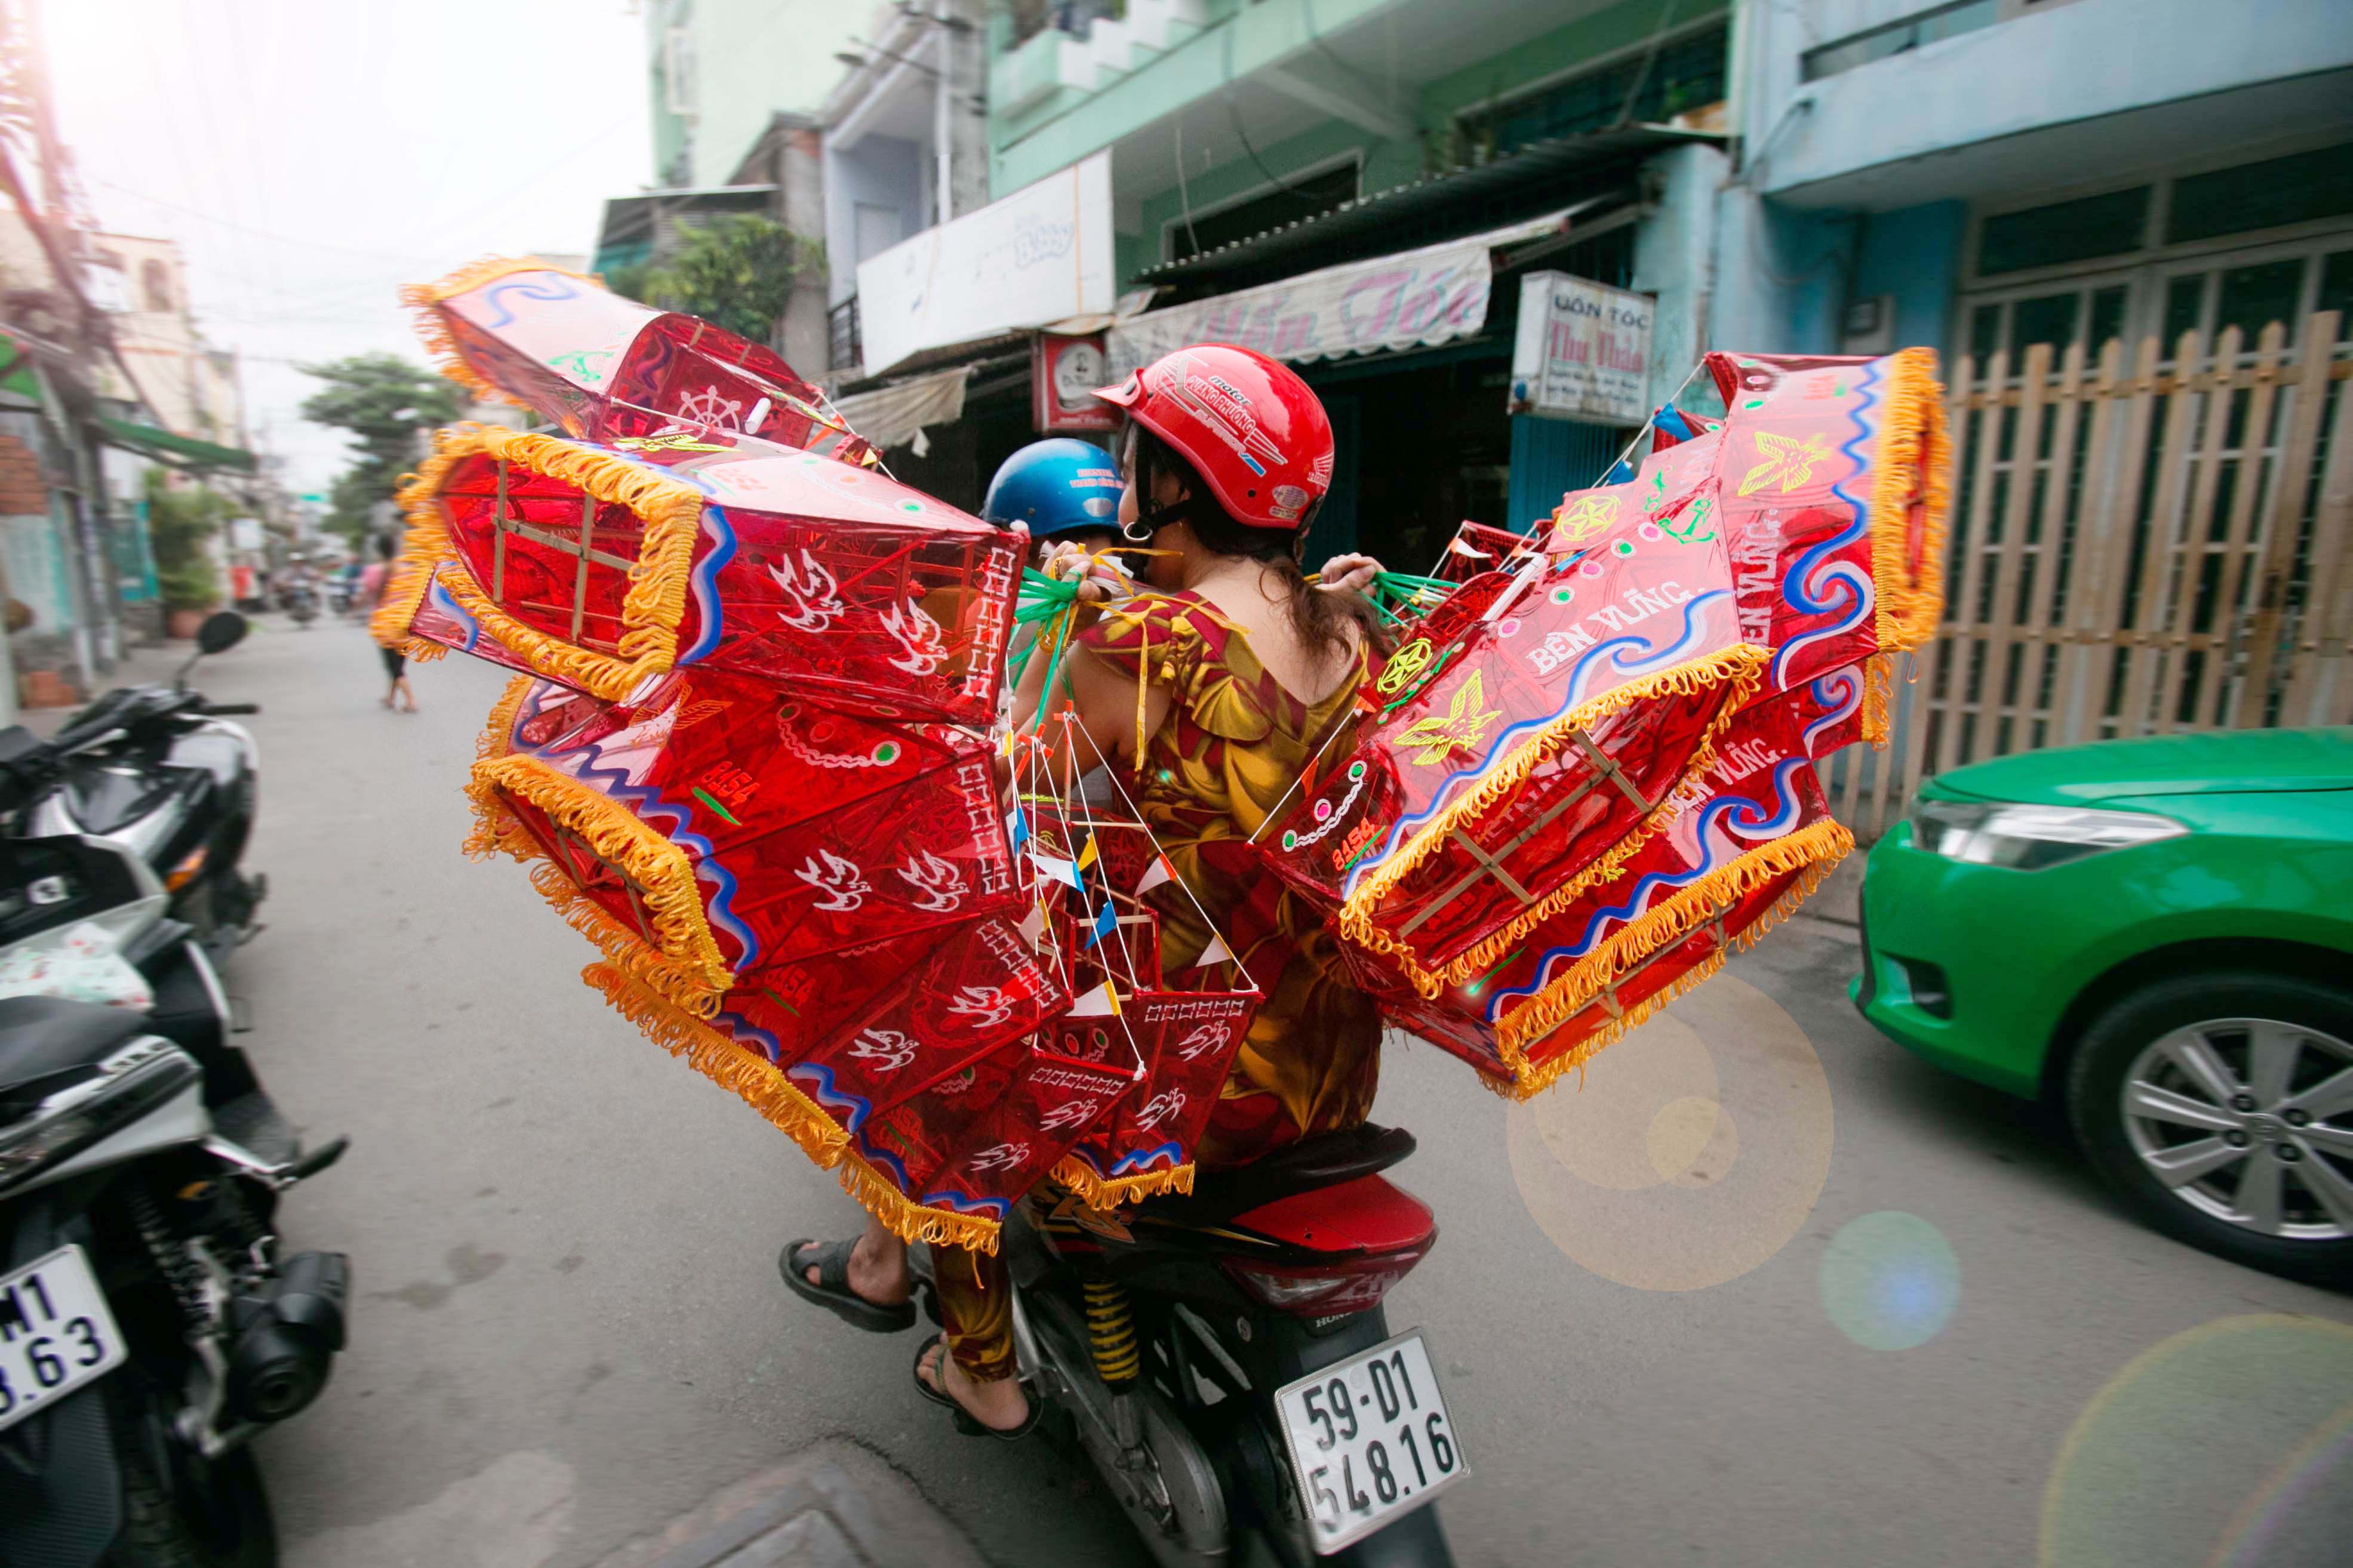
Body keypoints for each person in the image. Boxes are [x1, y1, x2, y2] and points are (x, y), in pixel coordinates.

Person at [783, 344, 1385, 1435]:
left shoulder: (1136, 646)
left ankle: (982, 1370)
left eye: (1137, 458)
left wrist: (1054, 636)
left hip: (1188, 1095)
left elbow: (1000, 811)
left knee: (924, 1079)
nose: (1124, 478)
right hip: (1329, 1078)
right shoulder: (1356, 629)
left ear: (1173, 485)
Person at [359, 536, 417, 712]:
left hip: (384, 625)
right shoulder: (406, 570)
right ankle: (390, 698)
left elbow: (367, 594)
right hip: (404, 622)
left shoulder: (372, 571)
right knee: (398, 664)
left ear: (379, 551)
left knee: (394, 666)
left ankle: (410, 701)